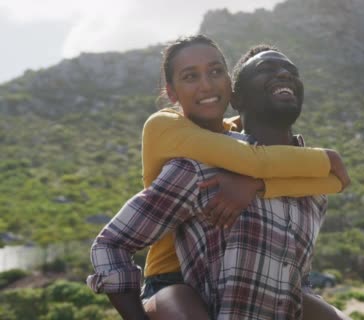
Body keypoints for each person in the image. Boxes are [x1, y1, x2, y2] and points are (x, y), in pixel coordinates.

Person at [87, 35, 349, 319]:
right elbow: (252, 159)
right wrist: (328, 158)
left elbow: (329, 181)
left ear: (228, 86)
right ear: (172, 93)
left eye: (215, 72)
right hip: (170, 282)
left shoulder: (301, 176)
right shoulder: (187, 151)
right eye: (190, 76)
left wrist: (258, 185)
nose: (207, 84)